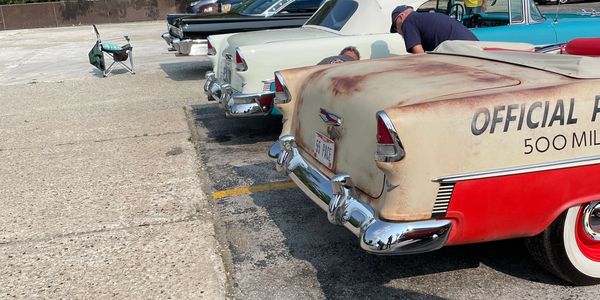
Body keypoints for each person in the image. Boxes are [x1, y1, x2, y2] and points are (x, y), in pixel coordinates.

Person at [390, 5, 478, 54]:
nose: (398, 31)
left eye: (395, 27)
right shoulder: (423, 18)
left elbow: (419, 55)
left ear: (401, 17)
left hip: (461, 51)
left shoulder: (407, 22)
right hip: (475, 46)